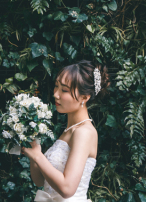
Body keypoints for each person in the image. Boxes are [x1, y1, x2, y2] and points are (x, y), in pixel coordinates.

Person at [21, 60, 110, 202]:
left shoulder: (84, 132)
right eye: (56, 87)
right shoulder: (69, 130)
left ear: (84, 97)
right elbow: (40, 181)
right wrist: (34, 151)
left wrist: (38, 156)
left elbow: (67, 189)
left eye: (64, 90)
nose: (56, 94)